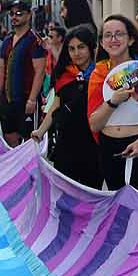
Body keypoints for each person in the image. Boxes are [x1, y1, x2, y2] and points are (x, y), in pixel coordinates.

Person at [88, 14, 138, 194]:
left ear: (131, 39)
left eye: (119, 34)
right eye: (108, 35)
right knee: (117, 207)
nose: (113, 40)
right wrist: (113, 102)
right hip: (108, 148)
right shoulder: (98, 74)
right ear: (102, 42)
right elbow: (95, 124)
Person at [33, 24, 103, 188]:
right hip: (66, 143)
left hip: (93, 145)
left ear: (92, 48)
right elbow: (55, 106)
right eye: (71, 49)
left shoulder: (102, 75)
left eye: (81, 47)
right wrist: (40, 131)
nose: (76, 53)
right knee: (64, 194)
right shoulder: (64, 75)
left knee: (91, 194)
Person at [0, 1, 47, 145]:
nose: (14, 17)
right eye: (11, 14)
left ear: (29, 15)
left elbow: (40, 71)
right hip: (8, 99)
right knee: (8, 136)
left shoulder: (34, 40)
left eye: (19, 13)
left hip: (26, 98)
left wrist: (32, 99)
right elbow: (1, 70)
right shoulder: (7, 41)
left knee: (30, 140)